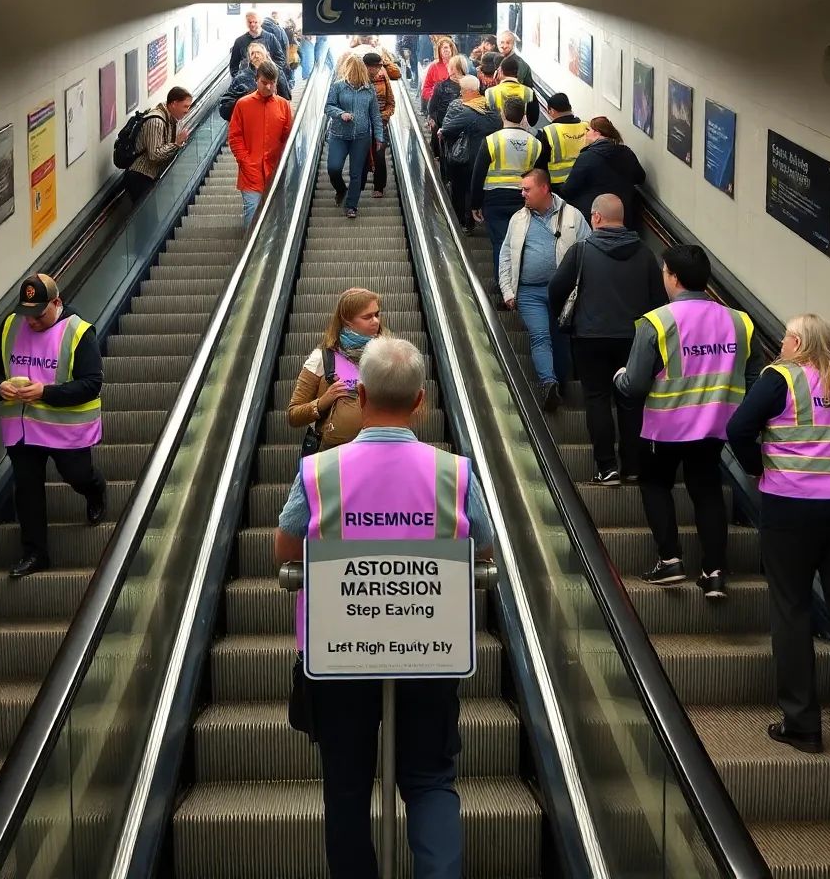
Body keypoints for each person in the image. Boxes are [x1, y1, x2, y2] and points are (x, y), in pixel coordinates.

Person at [276, 336, 494, 879]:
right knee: (429, 780)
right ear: (421, 401)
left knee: (346, 786)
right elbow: (483, 549)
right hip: (429, 649)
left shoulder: (320, 471)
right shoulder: (457, 473)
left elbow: (286, 547)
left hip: (338, 652)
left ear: (362, 394)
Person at [727, 314, 830, 760]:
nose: (781, 346)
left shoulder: (780, 377)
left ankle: (802, 725)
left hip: (793, 508)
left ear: (798, 341)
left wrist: (759, 467)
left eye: (784, 339)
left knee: (792, 606)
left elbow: (738, 429)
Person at [614, 245, 761, 597]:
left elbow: (633, 385)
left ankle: (670, 560)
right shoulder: (740, 321)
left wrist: (618, 376)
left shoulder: (657, 322)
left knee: (655, 484)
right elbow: (754, 379)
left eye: (665, 272)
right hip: (715, 425)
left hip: (665, 427)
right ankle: (713, 572)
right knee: (707, 490)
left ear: (674, 278)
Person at [0, 273, 106, 578]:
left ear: (57, 303)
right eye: (28, 315)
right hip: (23, 427)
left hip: (65, 429)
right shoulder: (11, 326)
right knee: (27, 488)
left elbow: (92, 384)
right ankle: (35, 552)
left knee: (75, 475)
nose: (32, 322)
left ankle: (94, 488)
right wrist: (0, 388)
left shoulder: (78, 332)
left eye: (39, 314)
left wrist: (45, 393)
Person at [548, 195, 665, 485]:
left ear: (597, 218)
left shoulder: (582, 251)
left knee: (597, 399)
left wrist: (568, 319)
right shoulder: (646, 254)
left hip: (590, 337)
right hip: (634, 339)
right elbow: (660, 302)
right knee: (630, 401)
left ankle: (606, 467)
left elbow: (555, 289)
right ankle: (633, 467)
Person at [499, 169, 589, 410]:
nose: (522, 194)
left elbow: (587, 253)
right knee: (540, 336)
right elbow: (506, 255)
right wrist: (508, 290)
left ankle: (562, 385)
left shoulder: (573, 216)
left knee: (561, 340)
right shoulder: (518, 219)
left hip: (563, 294)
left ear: (544, 189)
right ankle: (547, 384)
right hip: (529, 292)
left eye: (527, 189)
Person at [288, 288, 387, 450]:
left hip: (378, 452)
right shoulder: (321, 358)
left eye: (377, 314)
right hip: (333, 458)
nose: (376, 321)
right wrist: (323, 402)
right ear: (347, 320)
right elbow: (293, 416)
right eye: (367, 317)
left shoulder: (389, 355)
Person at [470, 95, 543, 283]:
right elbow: (542, 176)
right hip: (524, 199)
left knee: (501, 244)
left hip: (495, 199)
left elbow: (478, 174)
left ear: (502, 114)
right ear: (524, 116)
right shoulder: (535, 143)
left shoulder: (491, 141)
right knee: (523, 243)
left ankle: (504, 289)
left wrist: (474, 204)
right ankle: (523, 284)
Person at [227, 60, 293, 229]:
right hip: (251, 171)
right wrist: (244, 160)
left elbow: (288, 138)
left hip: (276, 171)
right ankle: (250, 252)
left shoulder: (283, 105)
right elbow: (235, 136)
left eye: (273, 83)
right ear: (256, 79)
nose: (269, 88)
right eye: (265, 83)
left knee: (278, 212)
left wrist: (283, 163)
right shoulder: (243, 104)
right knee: (252, 213)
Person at [439, 75, 502, 232]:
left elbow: (447, 129)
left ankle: (464, 222)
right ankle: (477, 219)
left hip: (467, 159)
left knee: (462, 189)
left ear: (467, 91)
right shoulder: (491, 109)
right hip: (488, 157)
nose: (461, 93)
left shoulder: (468, 111)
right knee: (477, 187)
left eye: (461, 90)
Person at [560, 116, 645, 231]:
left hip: (595, 217)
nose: (586, 134)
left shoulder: (587, 157)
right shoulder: (626, 152)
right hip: (625, 215)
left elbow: (568, 189)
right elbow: (640, 177)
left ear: (597, 132)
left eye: (588, 130)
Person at [325, 56, 384, 219]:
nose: (353, 77)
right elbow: (328, 107)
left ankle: (352, 205)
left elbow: (375, 115)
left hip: (361, 137)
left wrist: (379, 136)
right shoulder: (338, 87)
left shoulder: (369, 89)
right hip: (339, 135)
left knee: (356, 173)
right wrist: (340, 113)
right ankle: (341, 189)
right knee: (333, 168)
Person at [123, 85, 192, 199]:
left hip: (152, 176)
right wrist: (177, 144)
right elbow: (154, 155)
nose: (187, 111)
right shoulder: (156, 121)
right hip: (140, 177)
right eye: (185, 106)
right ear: (174, 103)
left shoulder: (174, 119)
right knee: (149, 215)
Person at [229, 11, 290, 97]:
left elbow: (280, 58)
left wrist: (273, 72)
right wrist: (239, 77)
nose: (252, 24)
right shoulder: (240, 41)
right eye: (250, 22)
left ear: (260, 22)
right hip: (247, 86)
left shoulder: (271, 38)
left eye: (255, 22)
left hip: (269, 83)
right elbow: (233, 64)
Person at [362, 53, 395, 199]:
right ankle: (360, 184)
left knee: (380, 154)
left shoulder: (383, 77)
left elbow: (391, 102)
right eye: (377, 66)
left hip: (380, 122)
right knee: (361, 154)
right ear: (368, 67)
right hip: (362, 123)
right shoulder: (358, 79)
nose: (380, 69)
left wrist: (384, 117)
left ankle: (379, 186)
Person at [536, 93, 588, 186]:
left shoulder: (550, 131)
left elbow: (541, 162)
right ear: (570, 108)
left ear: (551, 111)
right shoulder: (586, 127)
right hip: (585, 179)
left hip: (559, 184)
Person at [428, 54, 469, 159]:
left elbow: (432, 107)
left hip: (445, 130)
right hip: (466, 132)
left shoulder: (441, 86)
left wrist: (433, 121)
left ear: (452, 69)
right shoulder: (472, 86)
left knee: (446, 159)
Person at [219, 41, 269, 121]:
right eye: (253, 53)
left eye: (259, 52)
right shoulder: (241, 78)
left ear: (265, 54)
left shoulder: (276, 74)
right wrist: (243, 104)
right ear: (250, 59)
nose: (256, 56)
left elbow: (285, 96)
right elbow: (225, 105)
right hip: (249, 123)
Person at [485, 56, 539, 127]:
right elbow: (533, 119)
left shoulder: (490, 92)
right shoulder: (529, 92)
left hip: (496, 134)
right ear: (517, 72)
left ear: (500, 71)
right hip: (521, 132)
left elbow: (486, 118)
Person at [420, 36, 457, 112]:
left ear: (452, 49)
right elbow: (426, 87)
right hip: (437, 105)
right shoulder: (434, 66)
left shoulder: (458, 64)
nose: (445, 48)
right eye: (442, 47)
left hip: (455, 103)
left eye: (448, 46)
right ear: (439, 51)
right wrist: (434, 97)